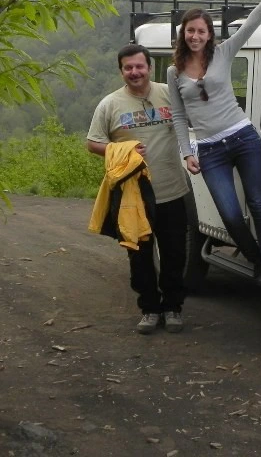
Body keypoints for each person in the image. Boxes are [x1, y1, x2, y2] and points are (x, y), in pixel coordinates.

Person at [167, 0, 261, 292]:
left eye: (201, 31)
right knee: (230, 214)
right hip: (210, 150)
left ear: (209, 34)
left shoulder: (223, 53)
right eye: (191, 31)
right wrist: (187, 151)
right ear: (183, 34)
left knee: (258, 203)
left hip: (243, 137)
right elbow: (179, 115)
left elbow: (251, 24)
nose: (196, 36)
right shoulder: (174, 72)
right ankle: (257, 262)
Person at [87, 44, 190, 334]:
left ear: (148, 67)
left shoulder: (168, 93)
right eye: (128, 68)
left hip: (172, 190)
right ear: (121, 71)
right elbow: (92, 142)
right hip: (133, 196)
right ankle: (149, 309)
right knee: (140, 255)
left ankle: (172, 307)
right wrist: (122, 149)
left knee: (174, 253)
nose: (134, 72)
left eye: (139, 66)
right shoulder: (110, 104)